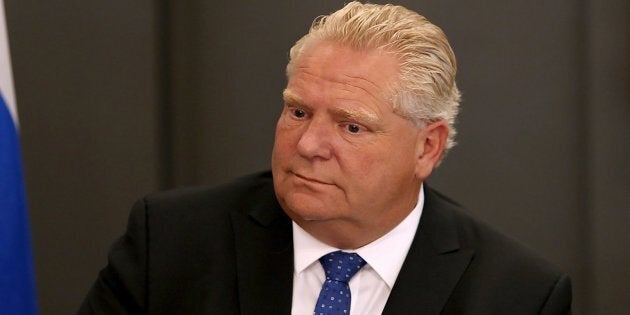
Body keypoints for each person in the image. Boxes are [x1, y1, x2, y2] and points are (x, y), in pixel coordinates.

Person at [79, 2, 571, 314]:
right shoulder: (171, 242)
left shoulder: (517, 295)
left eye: (351, 126)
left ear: (427, 147)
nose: (309, 145)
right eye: (297, 111)